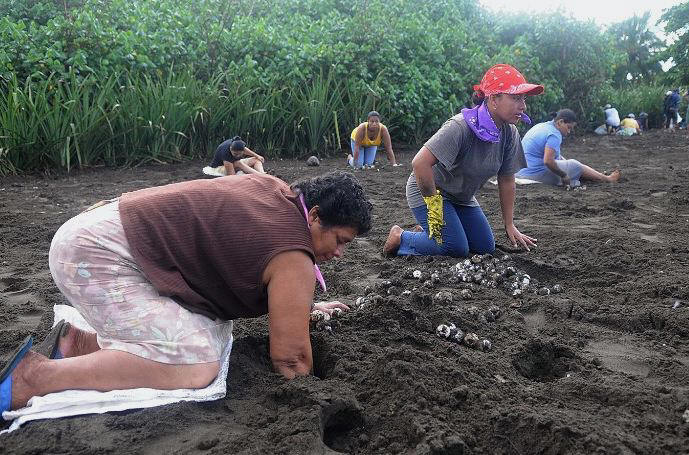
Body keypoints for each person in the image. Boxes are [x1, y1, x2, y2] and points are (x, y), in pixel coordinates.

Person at [0, 171, 372, 412]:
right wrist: (316, 400)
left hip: (97, 233)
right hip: (95, 256)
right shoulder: (293, 254)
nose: (338, 253)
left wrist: (300, 304)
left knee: (208, 329)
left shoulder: (277, 192)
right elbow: (290, 360)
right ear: (315, 215)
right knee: (197, 362)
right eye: (340, 241)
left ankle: (80, 344)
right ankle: (37, 378)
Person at [383, 63, 540, 258]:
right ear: (493, 99)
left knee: (485, 247)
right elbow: (419, 163)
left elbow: (507, 179)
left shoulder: (510, 133)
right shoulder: (460, 127)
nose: (523, 106)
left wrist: (509, 224)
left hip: (462, 198)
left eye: (523, 99)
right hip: (429, 191)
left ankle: (429, 234)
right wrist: (434, 207)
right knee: (455, 248)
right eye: (515, 98)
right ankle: (402, 237)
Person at [515, 109, 621, 187]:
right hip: (532, 173)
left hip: (519, 171)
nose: (569, 132)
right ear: (560, 122)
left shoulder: (542, 126)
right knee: (575, 165)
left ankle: (597, 175)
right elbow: (548, 161)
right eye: (569, 128)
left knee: (568, 163)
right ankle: (607, 179)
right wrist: (564, 174)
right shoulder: (554, 134)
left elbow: (556, 157)